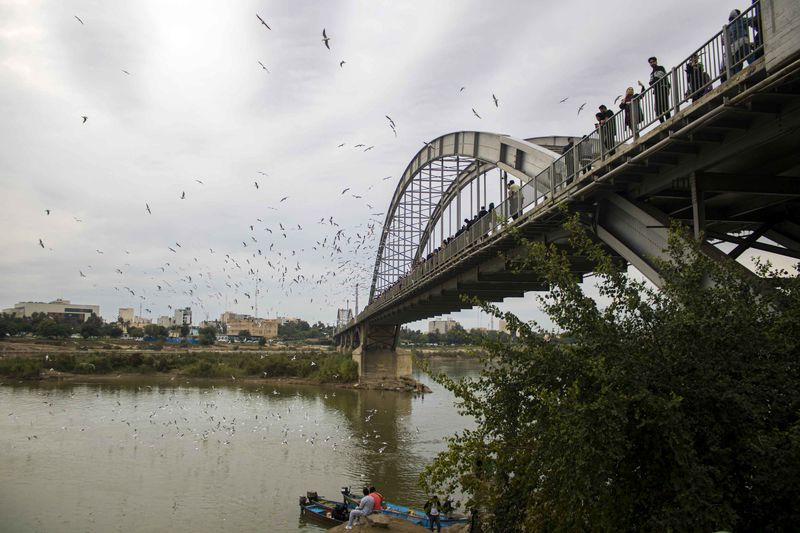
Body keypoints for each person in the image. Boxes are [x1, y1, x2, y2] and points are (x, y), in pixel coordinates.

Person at [727, 9, 752, 75]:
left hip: (734, 49)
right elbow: (751, 20)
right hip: (743, 42)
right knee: (750, 58)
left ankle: (737, 77)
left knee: (738, 65)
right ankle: (753, 67)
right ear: (737, 15)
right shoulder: (739, 20)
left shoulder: (729, 27)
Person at [647, 56, 671, 123]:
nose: (652, 63)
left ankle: (669, 121)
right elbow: (650, 83)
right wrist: (653, 81)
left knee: (665, 106)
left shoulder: (661, 68)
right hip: (657, 90)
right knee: (658, 109)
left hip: (663, 88)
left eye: (653, 61)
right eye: (650, 62)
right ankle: (663, 123)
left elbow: (658, 78)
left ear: (656, 61)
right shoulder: (652, 73)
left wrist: (653, 81)